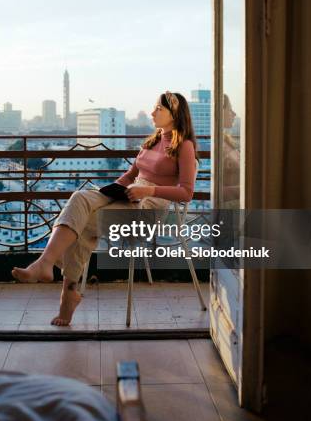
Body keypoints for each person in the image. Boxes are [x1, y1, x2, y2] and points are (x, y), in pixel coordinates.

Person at [12, 91, 198, 326]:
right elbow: (131, 175)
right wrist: (110, 191)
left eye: (159, 109)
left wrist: (148, 191)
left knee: (84, 223)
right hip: (129, 194)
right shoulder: (152, 141)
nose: (152, 113)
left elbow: (186, 193)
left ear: (175, 114)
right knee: (80, 198)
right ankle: (48, 267)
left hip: (149, 207)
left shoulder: (185, 146)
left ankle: (64, 289)